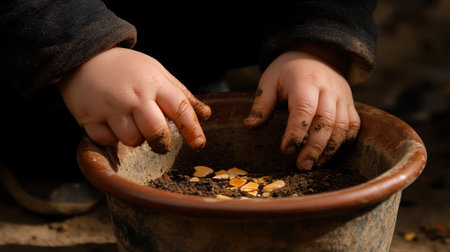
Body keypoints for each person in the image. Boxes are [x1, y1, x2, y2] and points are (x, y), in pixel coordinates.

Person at [0, 0, 377, 215]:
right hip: (57, 30)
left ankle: (189, 80)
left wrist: (317, 46)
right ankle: (48, 131)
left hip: (203, 25)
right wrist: (77, 50)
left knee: (197, 56)